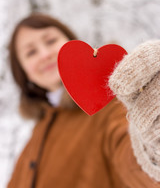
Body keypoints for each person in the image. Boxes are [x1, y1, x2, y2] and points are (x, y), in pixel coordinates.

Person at [7, 13, 160, 188]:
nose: (44, 54)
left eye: (50, 41)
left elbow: (135, 166)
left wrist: (152, 152)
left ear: (70, 42)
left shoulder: (112, 109)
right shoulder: (39, 128)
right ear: (23, 71)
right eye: (31, 52)